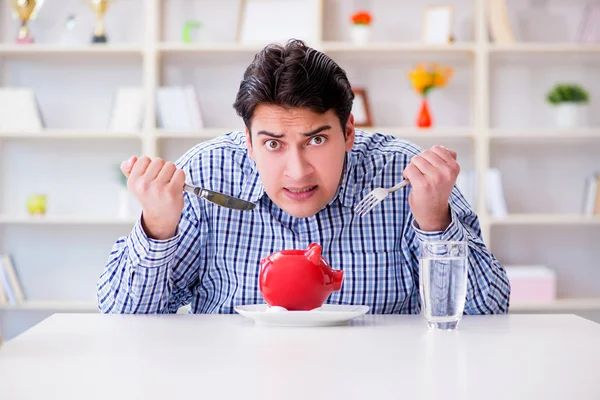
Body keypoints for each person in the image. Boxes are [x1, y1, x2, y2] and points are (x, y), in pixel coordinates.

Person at [97, 39, 510, 315]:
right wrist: (157, 228)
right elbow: (121, 314)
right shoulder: (205, 174)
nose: (297, 171)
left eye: (315, 140)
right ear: (248, 141)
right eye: (273, 143)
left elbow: (488, 310)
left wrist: (434, 222)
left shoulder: (404, 176)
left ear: (349, 132)